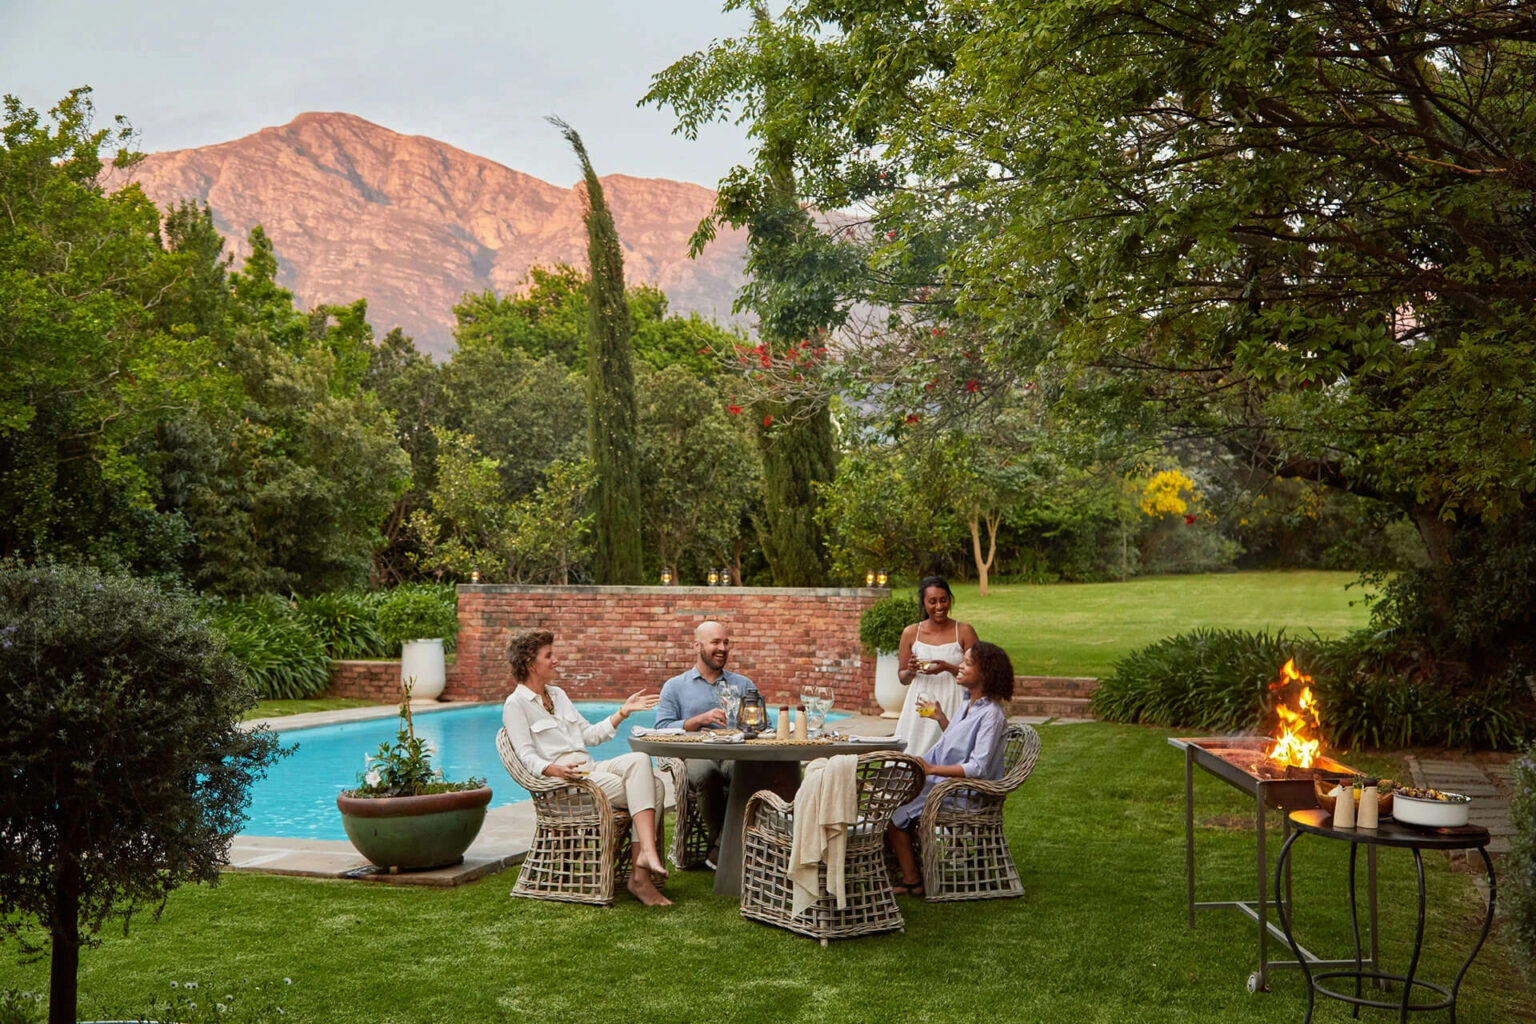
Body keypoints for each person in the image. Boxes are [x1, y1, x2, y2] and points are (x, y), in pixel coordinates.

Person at [501, 629, 673, 906]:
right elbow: (526, 756)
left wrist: (623, 712)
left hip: (591, 770)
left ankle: (644, 861)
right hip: (568, 785)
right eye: (549, 656)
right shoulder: (515, 704)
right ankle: (641, 876)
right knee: (654, 787)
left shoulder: (557, 695)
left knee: (640, 760)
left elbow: (590, 736)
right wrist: (556, 770)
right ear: (531, 664)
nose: (555, 660)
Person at [887, 640, 1015, 896]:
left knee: (891, 811)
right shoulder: (968, 703)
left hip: (965, 794)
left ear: (986, 673)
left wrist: (932, 769)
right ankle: (906, 869)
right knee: (888, 790)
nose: (960, 667)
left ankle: (912, 880)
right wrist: (942, 718)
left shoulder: (991, 714)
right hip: (945, 786)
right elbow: (958, 745)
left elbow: (977, 766)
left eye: (967, 663)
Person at [655, 619, 758, 868]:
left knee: (745, 772)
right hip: (694, 756)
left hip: (733, 753)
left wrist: (746, 728)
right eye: (715, 642)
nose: (722, 648)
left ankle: (721, 848)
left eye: (726, 642)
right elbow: (660, 729)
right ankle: (724, 845)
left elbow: (758, 725)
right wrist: (697, 721)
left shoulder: (743, 684)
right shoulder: (675, 686)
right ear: (697, 646)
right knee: (707, 773)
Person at [892, 576, 979, 756]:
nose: (939, 607)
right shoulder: (910, 633)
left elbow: (978, 673)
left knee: (953, 753)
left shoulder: (964, 631)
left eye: (943, 600)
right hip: (921, 702)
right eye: (932, 602)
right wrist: (910, 670)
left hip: (954, 699)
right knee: (915, 756)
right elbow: (902, 678)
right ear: (924, 604)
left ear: (950, 599)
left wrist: (948, 667)